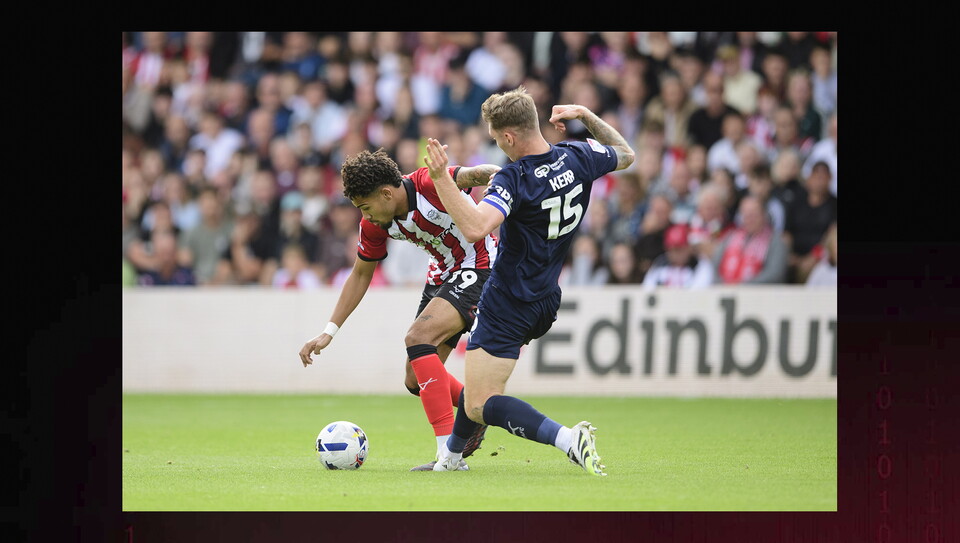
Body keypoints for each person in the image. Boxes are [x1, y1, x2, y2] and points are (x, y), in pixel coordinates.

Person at [424, 86, 635, 476]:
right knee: (477, 382)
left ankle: (568, 439)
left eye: (495, 140)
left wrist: (441, 179)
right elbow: (626, 154)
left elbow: (474, 228)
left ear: (508, 137)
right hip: (545, 298)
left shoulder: (514, 178)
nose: (498, 148)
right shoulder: (578, 155)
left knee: (479, 402)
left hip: (508, 300)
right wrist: (586, 115)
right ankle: (450, 458)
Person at [298, 148, 502, 471]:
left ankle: (448, 457)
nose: (364, 216)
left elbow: (477, 174)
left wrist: (500, 182)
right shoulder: (375, 224)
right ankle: (474, 412)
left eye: (365, 207)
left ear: (386, 193)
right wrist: (328, 332)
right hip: (443, 273)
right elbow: (361, 273)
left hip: (481, 264)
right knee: (413, 378)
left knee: (417, 337)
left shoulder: (427, 184)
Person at [713, 195, 788, 285]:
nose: (749, 219)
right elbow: (714, 267)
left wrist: (742, 286)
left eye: (753, 214)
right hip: (724, 291)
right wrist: (722, 285)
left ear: (764, 215)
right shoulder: (730, 236)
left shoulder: (776, 241)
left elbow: (775, 274)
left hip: (758, 295)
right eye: (745, 215)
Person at [642, 223, 714, 290]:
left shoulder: (700, 264)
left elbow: (700, 290)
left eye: (679, 249)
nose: (675, 254)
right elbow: (648, 288)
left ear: (688, 248)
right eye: (671, 249)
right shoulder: (660, 263)